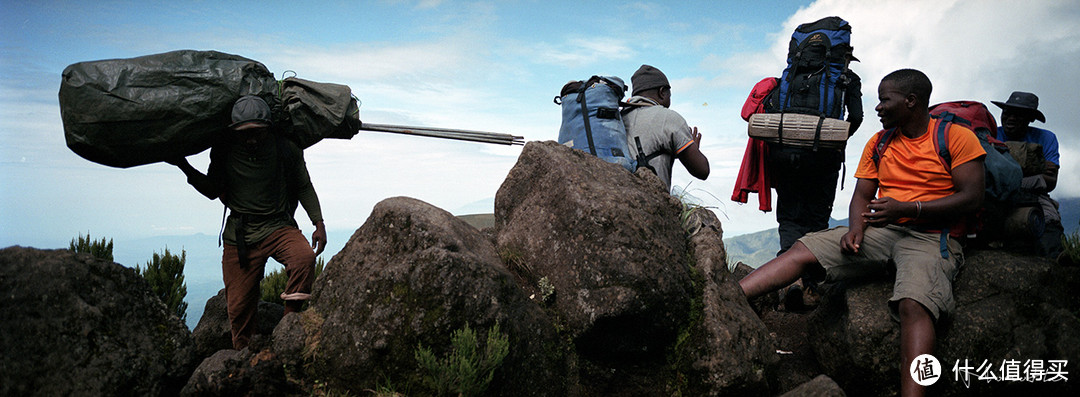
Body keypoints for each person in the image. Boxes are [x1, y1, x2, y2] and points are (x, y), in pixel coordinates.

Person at [739, 69, 986, 397]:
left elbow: (972, 197)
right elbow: (862, 196)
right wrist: (856, 229)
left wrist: (909, 209)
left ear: (911, 101)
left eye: (885, 100)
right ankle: (730, 296)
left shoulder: (955, 137)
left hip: (933, 236)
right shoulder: (880, 142)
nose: (878, 108)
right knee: (803, 249)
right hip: (883, 230)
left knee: (915, 305)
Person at [168, 95, 327, 350]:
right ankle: (243, 358)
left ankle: (287, 327)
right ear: (234, 132)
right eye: (245, 134)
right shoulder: (224, 150)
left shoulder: (286, 147)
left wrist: (318, 223)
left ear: (269, 128)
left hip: (278, 226)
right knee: (239, 309)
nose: (251, 139)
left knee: (303, 259)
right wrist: (183, 166)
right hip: (240, 235)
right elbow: (212, 190)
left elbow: (303, 185)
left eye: (257, 133)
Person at [992, 91, 1063, 258]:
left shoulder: (1046, 137)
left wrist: (1006, 172)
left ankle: (1056, 260)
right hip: (996, 195)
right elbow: (986, 175)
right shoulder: (991, 134)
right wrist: (1036, 169)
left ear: (1030, 118)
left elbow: (1051, 182)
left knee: (1049, 218)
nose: (1010, 118)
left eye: (1019, 115)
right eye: (1007, 112)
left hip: (1035, 197)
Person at [622, 64, 710, 191]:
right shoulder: (669, 118)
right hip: (651, 203)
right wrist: (693, 148)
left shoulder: (618, 117)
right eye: (670, 95)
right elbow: (702, 171)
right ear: (662, 92)